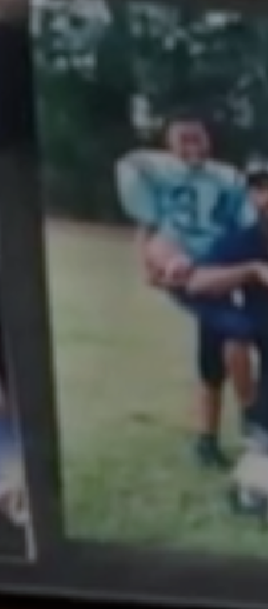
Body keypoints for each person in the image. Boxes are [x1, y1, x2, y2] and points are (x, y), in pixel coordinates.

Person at [116, 113, 263, 466]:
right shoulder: (157, 174)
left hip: (218, 266)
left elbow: (243, 222)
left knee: (213, 348)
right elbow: (149, 227)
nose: (193, 147)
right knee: (237, 334)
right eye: (184, 140)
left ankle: (207, 441)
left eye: (198, 139)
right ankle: (253, 422)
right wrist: (152, 264)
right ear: (169, 144)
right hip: (186, 270)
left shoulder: (225, 179)